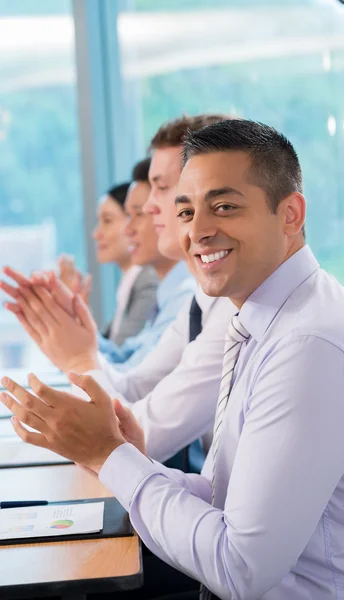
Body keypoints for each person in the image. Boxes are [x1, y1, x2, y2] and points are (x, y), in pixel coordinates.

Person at [3, 119, 344, 600]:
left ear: (291, 214)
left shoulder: (310, 343)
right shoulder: (261, 316)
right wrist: (124, 457)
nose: (199, 231)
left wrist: (112, 456)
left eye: (225, 207)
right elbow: (225, 500)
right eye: (187, 212)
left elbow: (239, 568)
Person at [1, 114, 234, 469]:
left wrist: (80, 358)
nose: (151, 206)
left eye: (162, 187)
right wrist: (80, 350)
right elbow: (133, 390)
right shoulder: (201, 301)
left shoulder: (228, 310)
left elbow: (139, 437)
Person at [93, 176, 159, 346]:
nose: (97, 234)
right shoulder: (128, 284)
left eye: (107, 221)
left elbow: (120, 353)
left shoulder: (148, 281)